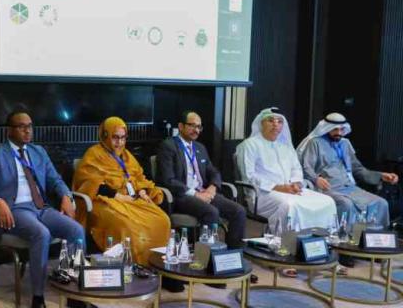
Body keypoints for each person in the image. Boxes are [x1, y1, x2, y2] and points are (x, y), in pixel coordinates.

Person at [0, 111, 85, 308]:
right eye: (21, 126)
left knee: (76, 230)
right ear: (9, 130)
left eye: (30, 126)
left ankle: (73, 292)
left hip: (41, 207)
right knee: (41, 233)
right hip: (15, 209)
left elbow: (55, 180)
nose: (27, 130)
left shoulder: (38, 152)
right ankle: (38, 297)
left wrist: (66, 196)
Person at [72, 116, 170, 264]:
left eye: (123, 138)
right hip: (104, 201)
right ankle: (133, 266)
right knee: (128, 226)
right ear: (105, 136)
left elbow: (137, 176)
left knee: (163, 220)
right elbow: (91, 182)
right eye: (115, 138)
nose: (120, 143)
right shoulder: (94, 154)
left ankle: (157, 265)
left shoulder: (127, 155)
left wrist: (142, 191)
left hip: (131, 199)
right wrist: (117, 196)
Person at [236, 108, 336, 231]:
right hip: (262, 194)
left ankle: (317, 241)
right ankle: (283, 242)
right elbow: (249, 176)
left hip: (291, 190)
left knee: (327, 201)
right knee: (290, 205)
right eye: (271, 120)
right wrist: (278, 187)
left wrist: (296, 183)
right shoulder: (249, 145)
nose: (275, 124)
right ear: (261, 123)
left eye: (279, 121)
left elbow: (296, 169)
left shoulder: (286, 146)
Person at [156, 111, 247, 249]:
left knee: (239, 211)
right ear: (181, 126)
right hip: (182, 195)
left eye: (199, 127)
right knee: (212, 212)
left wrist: (213, 187)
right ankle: (205, 257)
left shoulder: (199, 147)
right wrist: (196, 194)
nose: (196, 130)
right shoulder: (168, 146)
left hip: (204, 192)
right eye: (192, 126)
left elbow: (213, 171)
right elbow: (168, 179)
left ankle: (234, 254)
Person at [297, 112, 397, 230]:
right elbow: (306, 167)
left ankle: (373, 240)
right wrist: (316, 179)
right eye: (335, 129)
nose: (338, 133)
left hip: (349, 187)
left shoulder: (345, 144)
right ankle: (343, 240)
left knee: (381, 203)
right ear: (326, 128)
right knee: (346, 205)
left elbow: (357, 168)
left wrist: (381, 176)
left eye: (341, 129)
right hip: (327, 188)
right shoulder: (315, 143)